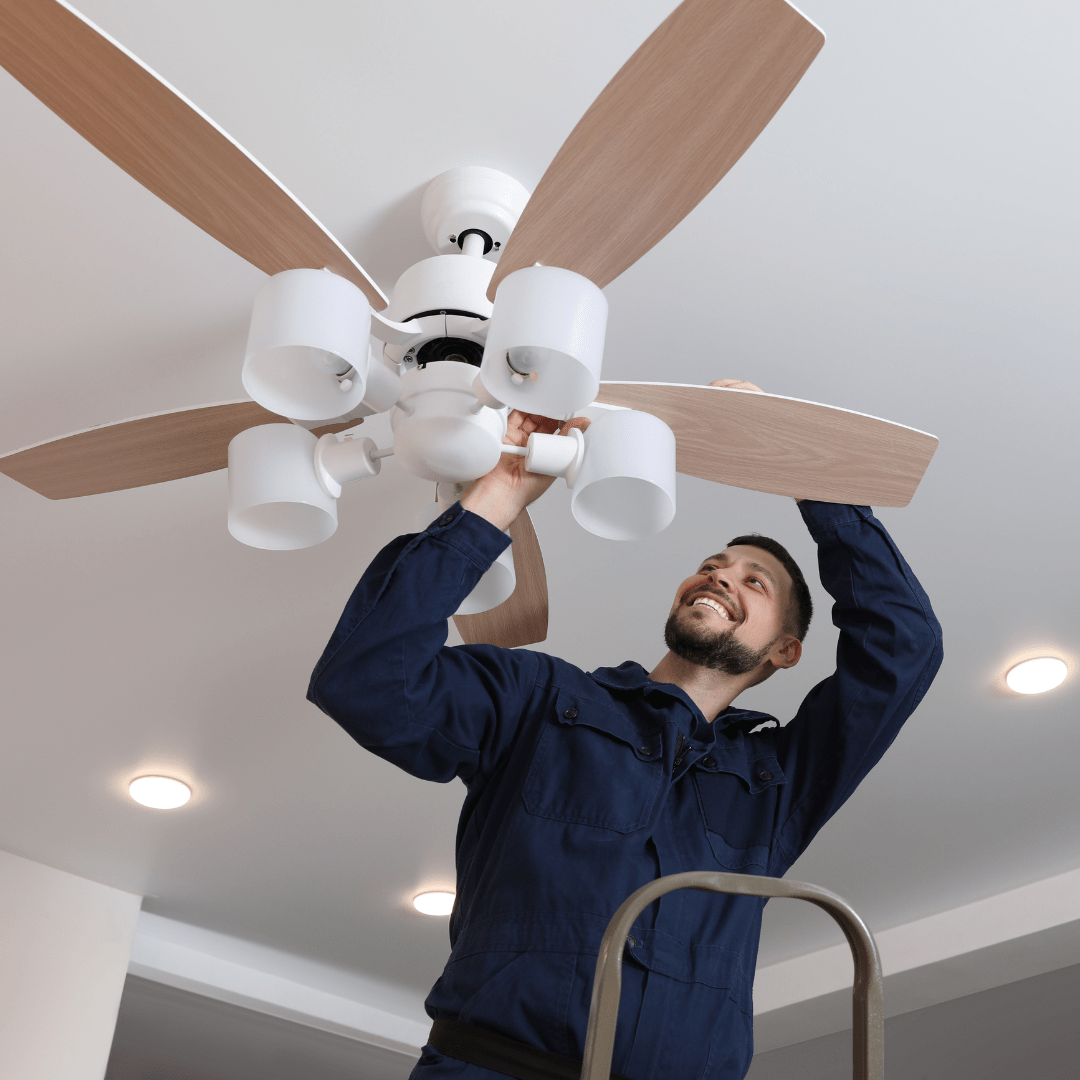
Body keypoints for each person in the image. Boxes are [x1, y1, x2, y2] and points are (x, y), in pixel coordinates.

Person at [307, 382, 943, 1080]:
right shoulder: (541, 700)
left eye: (754, 581)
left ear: (785, 650)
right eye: (711, 567)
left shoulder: (777, 784)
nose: (720, 577)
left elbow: (903, 647)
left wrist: (797, 468)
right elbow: (367, 682)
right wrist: (500, 493)